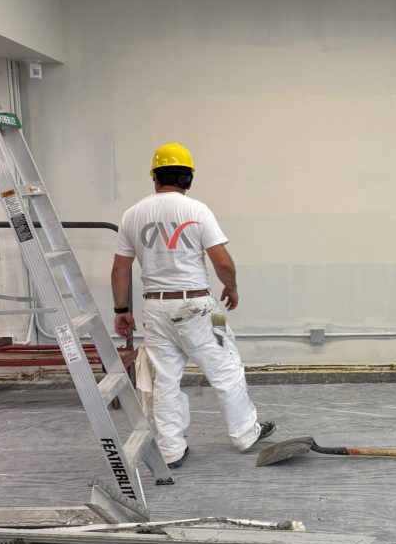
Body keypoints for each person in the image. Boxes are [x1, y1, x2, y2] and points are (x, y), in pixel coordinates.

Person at [111, 142, 275, 468]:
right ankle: (245, 434)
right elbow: (223, 262)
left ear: (155, 176)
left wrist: (121, 311)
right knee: (226, 368)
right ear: (189, 179)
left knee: (166, 379)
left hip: (155, 309)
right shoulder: (196, 210)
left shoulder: (133, 214)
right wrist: (231, 286)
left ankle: (171, 450)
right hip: (200, 307)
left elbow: (120, 268)